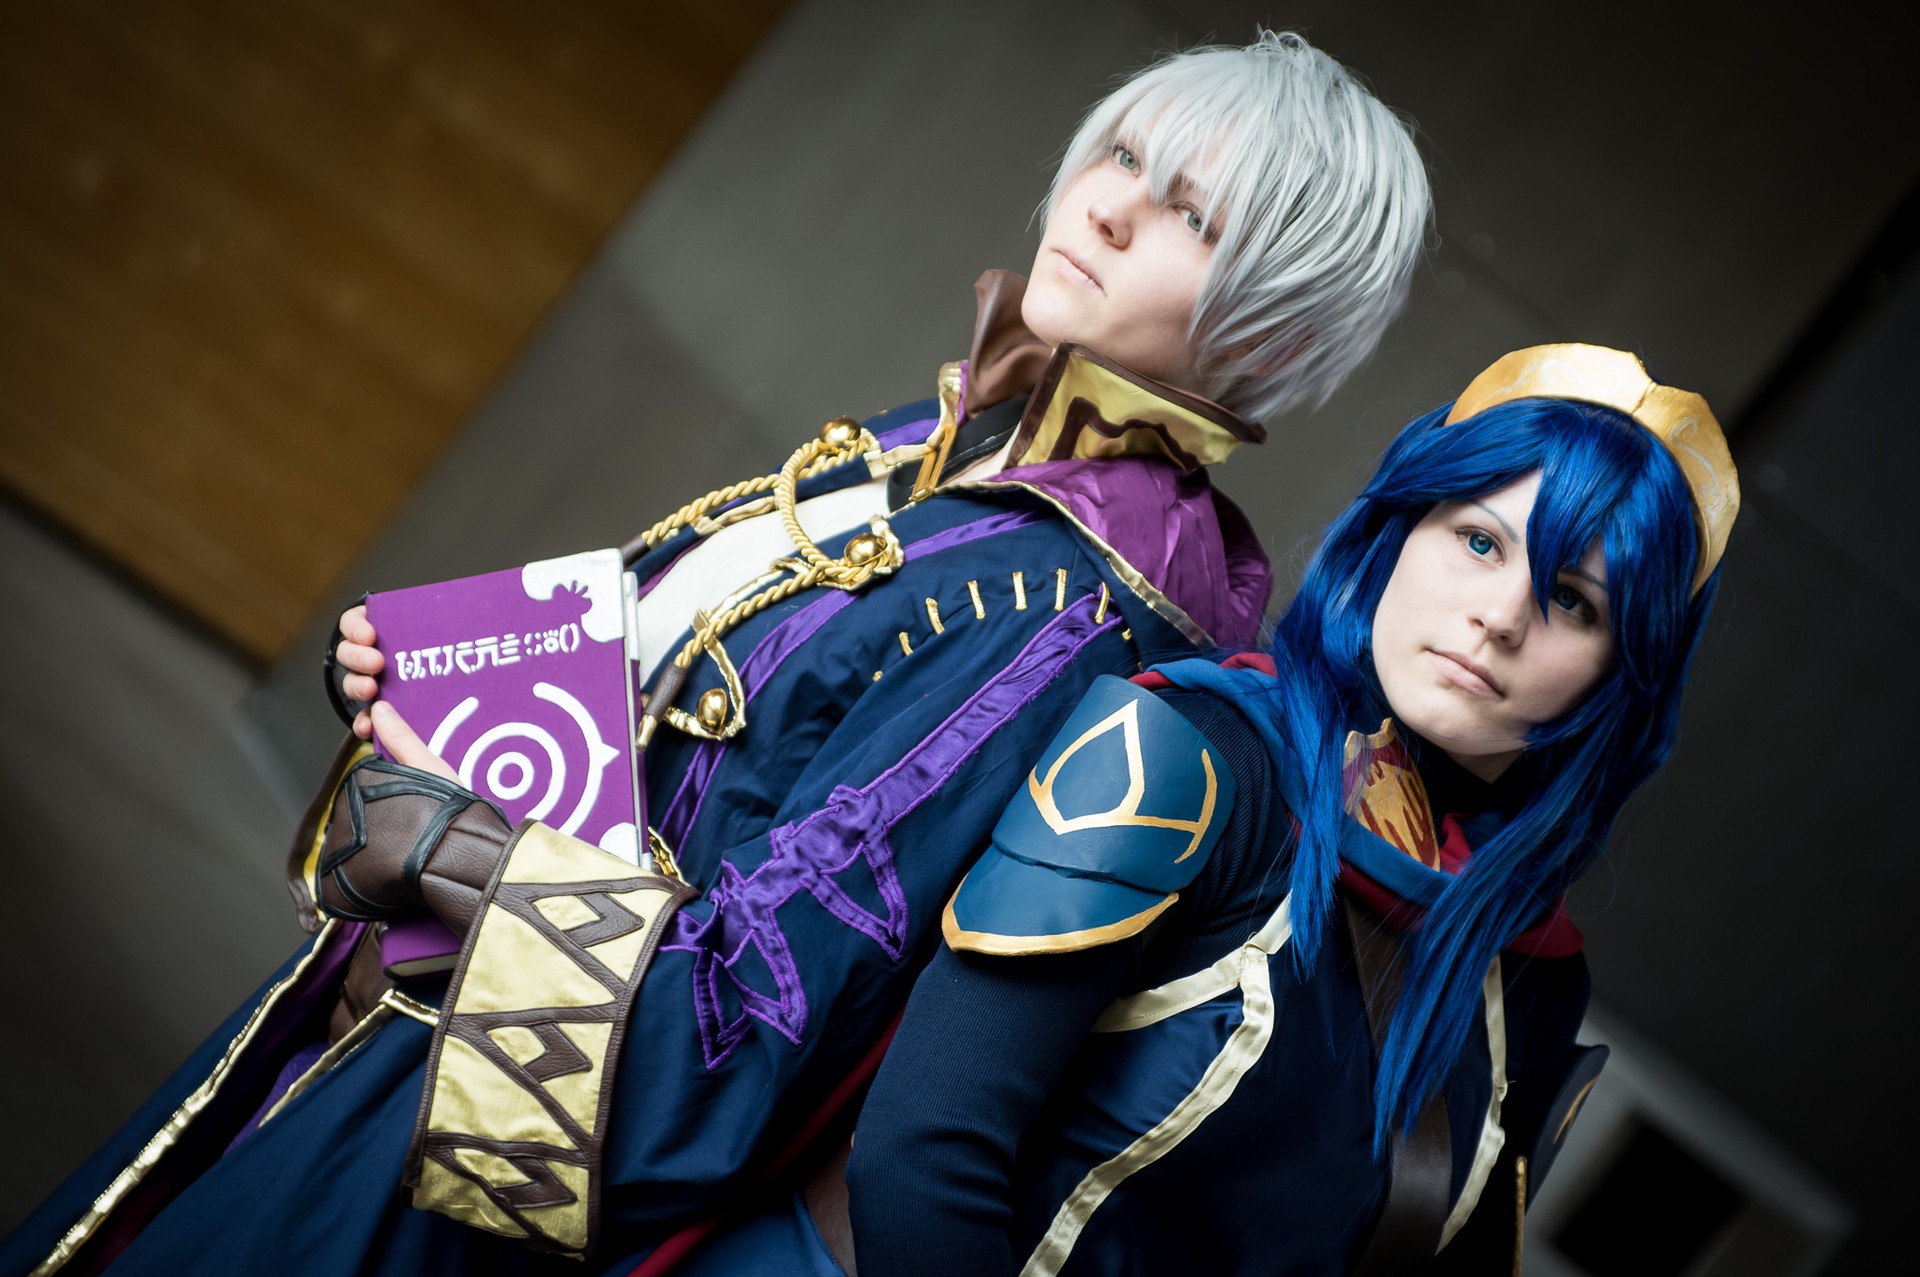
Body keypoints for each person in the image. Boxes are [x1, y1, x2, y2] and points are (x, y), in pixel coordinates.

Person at [1, 31, 1429, 1277]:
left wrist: (455, 841)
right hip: (396, 1020)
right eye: (1121, 154)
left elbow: (757, 1018)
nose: (1110, 207)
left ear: (1275, 329)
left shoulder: (1077, 606)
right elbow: (660, 704)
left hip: (496, 1135)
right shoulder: (958, 444)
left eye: (1191, 216)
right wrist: (436, 696)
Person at [833, 344, 1739, 1275]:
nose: (1502, 617)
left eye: (1573, 600)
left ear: (1617, 675)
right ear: (1399, 530)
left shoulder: (1533, 975)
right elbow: (923, 1153)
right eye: (1481, 542)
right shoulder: (1196, 753)